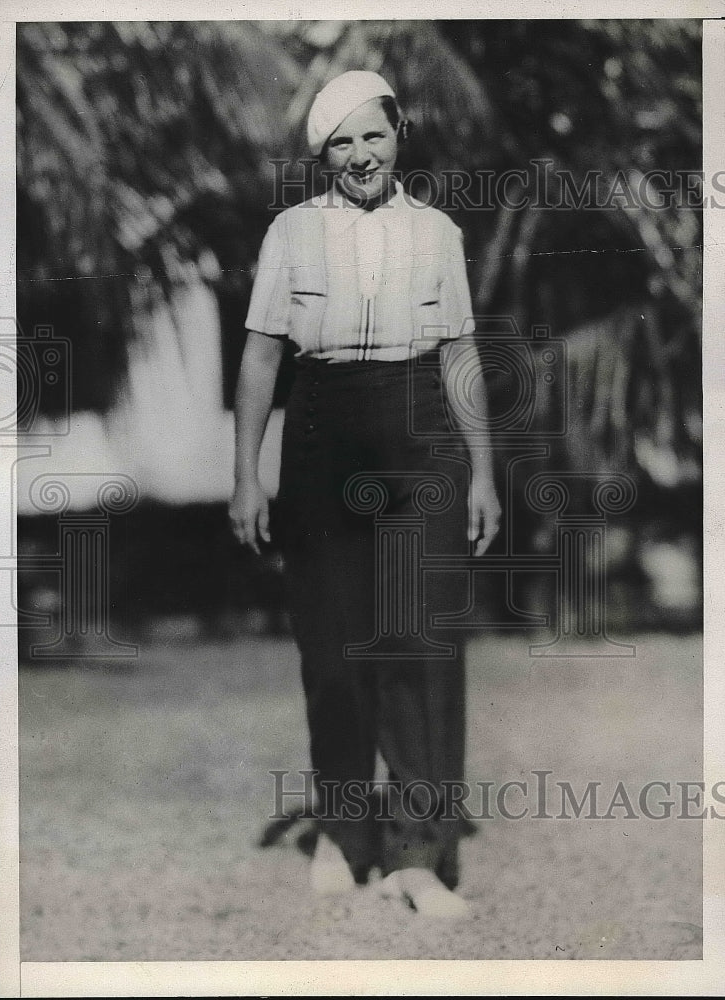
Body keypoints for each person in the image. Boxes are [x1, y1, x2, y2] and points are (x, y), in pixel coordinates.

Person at [230, 70, 501, 919]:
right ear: (322, 155)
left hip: (419, 426)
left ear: (399, 135)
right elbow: (262, 359)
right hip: (321, 428)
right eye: (340, 143)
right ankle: (345, 834)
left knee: (420, 646)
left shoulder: (438, 232)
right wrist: (246, 473)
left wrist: (483, 470)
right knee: (334, 649)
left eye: (371, 136)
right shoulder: (292, 232)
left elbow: (458, 356)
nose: (358, 156)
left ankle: (418, 857)